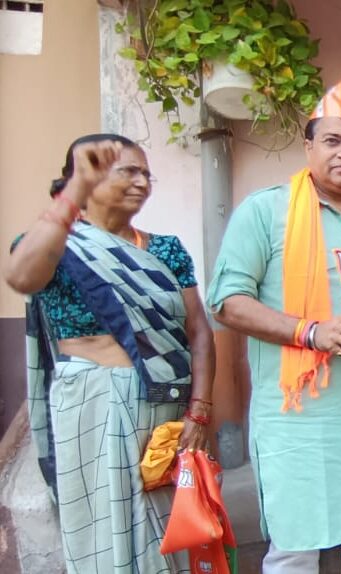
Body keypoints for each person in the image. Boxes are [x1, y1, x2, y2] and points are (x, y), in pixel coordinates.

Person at [208, 79, 341, 573]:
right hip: (297, 417)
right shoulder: (266, 211)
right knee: (295, 545)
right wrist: (310, 332)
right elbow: (227, 301)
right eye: (333, 140)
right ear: (308, 147)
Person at [4, 134, 214, 573]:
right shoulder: (57, 244)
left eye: (146, 174)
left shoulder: (166, 249)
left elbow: (198, 331)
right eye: (127, 171)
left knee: (166, 525)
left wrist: (199, 411)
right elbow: (21, 277)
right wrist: (73, 194)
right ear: (84, 178)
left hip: (165, 410)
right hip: (92, 407)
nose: (141, 182)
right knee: (102, 530)